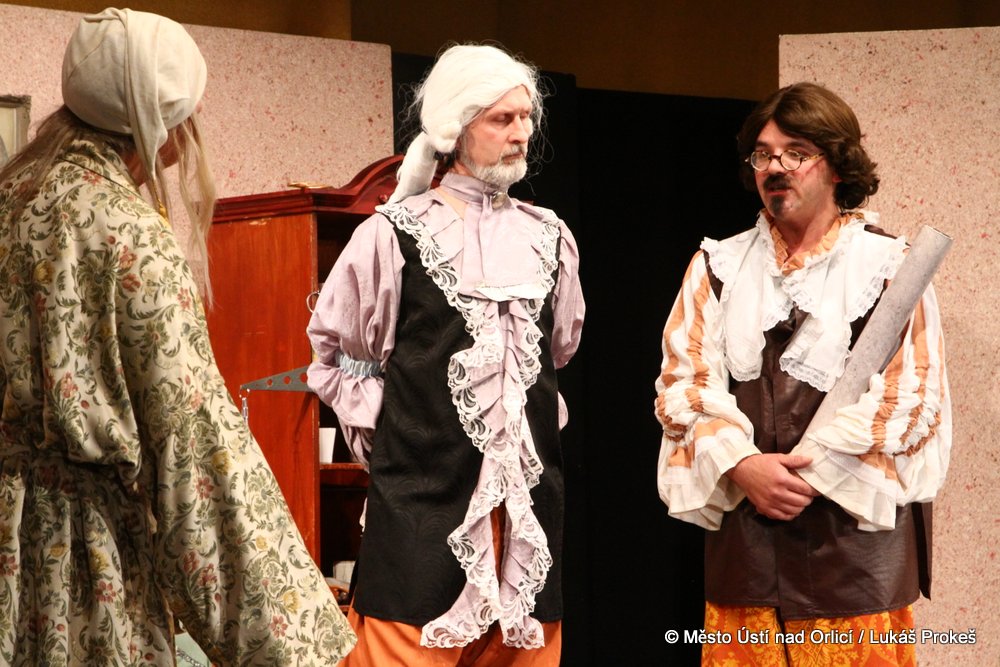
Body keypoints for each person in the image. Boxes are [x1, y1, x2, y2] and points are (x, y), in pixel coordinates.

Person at [0, 9, 355, 665]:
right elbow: (194, 449)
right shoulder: (129, 235)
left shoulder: (10, 200)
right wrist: (295, 642)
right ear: (159, 122)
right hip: (80, 568)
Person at [307, 43, 585, 666]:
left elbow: (555, 356)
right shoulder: (393, 233)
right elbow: (342, 358)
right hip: (421, 515)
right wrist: (403, 444)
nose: (521, 134)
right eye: (502, 119)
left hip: (526, 521)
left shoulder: (549, 237)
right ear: (457, 128)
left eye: (526, 118)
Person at [654, 82, 951, 666]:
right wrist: (744, 466)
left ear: (837, 165)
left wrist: (810, 476)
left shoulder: (888, 266)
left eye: (796, 153)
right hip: (749, 544)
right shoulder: (717, 265)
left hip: (853, 551)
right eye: (764, 154)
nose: (775, 168)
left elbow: (911, 395)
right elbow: (684, 383)